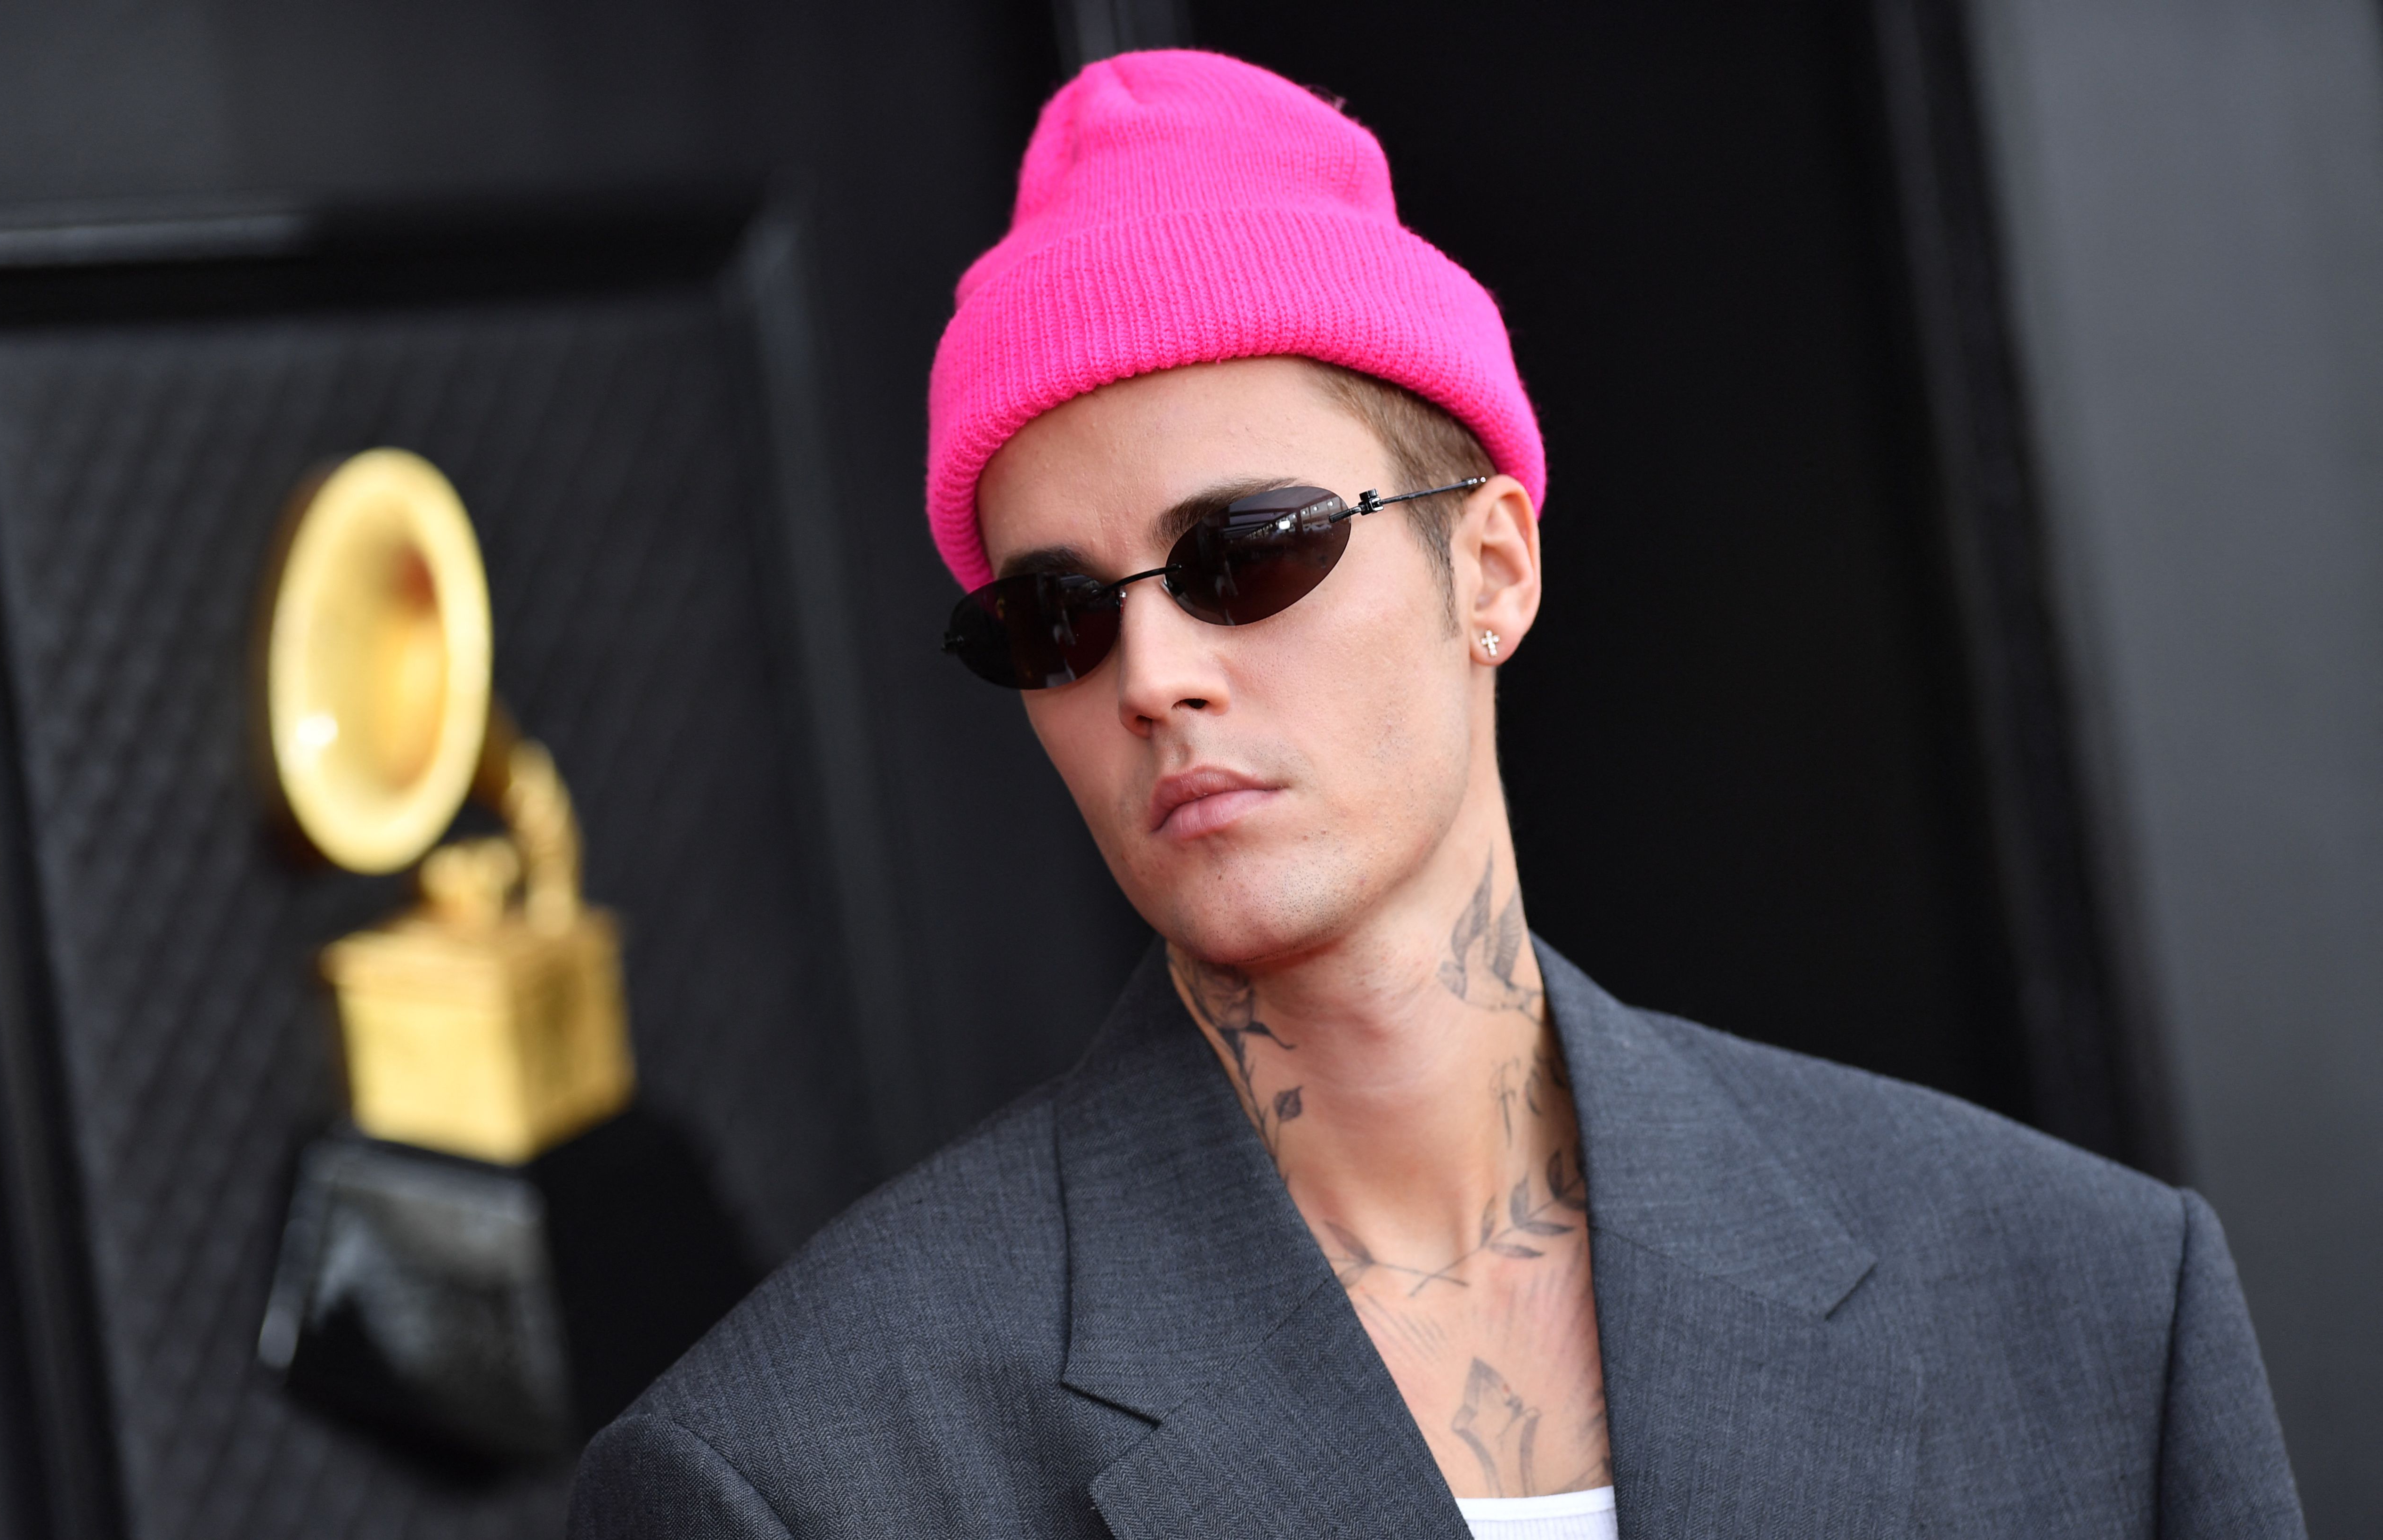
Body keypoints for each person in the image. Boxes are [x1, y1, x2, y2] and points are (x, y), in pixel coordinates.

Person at [570, 49, 2302, 1539]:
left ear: (1493, 567)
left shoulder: (2079, 1300)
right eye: (1055, 617)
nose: (1152, 674)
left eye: (1246, 554)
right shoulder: (801, 1474)